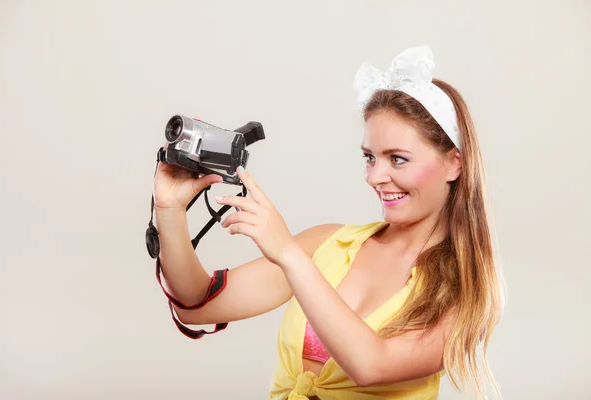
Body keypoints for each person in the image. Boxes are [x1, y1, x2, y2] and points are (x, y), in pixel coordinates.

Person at [151, 45, 504, 399]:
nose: (375, 177)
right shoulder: (328, 245)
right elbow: (197, 303)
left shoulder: (463, 291)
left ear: (454, 164)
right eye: (369, 158)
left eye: (397, 159)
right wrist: (170, 211)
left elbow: (370, 365)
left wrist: (288, 253)